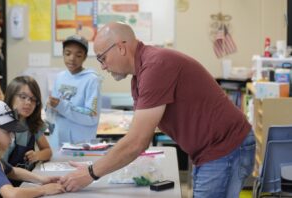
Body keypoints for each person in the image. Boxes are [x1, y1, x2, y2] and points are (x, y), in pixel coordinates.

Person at [60, 22, 255, 198]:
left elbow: (137, 141)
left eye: (102, 58)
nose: (103, 67)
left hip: (225, 147)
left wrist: (91, 173)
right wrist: (100, 164)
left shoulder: (155, 66)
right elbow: (139, 136)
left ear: (120, 48)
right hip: (209, 150)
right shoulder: (140, 76)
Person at [0, 99, 65, 197]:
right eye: (7, 132)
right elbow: (12, 194)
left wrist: (42, 179)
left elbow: (13, 171)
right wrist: (43, 190)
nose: (12, 137)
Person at [47, 35, 102, 149]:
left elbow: (91, 115)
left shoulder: (92, 80)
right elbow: (54, 112)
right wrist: (49, 107)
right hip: (58, 140)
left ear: (85, 57)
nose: (72, 58)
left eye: (78, 55)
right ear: (63, 53)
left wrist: (61, 105)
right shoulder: (60, 77)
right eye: (68, 53)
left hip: (80, 143)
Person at [3, 76, 52, 186]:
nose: (28, 102)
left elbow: (48, 151)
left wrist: (37, 155)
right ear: (11, 97)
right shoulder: (2, 129)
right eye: (23, 97)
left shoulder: (33, 124)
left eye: (33, 99)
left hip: (26, 183)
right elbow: (2, 169)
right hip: (6, 186)